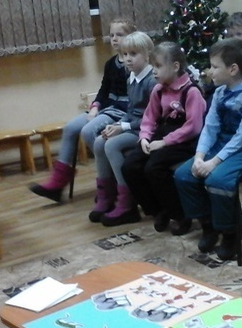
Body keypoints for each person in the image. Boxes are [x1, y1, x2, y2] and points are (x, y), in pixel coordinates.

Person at [174, 39, 242, 261]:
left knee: (218, 180)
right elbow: (210, 128)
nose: (210, 71)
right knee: (184, 175)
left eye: (215, 66)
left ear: (233, 69)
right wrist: (199, 157)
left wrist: (213, 162)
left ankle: (230, 233)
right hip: (224, 143)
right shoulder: (219, 93)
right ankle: (209, 225)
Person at [30, 18, 135, 202]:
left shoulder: (133, 63)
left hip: (122, 112)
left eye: (120, 35)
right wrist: (94, 108)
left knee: (88, 130)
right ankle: (58, 184)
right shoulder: (110, 63)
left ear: (132, 37)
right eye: (111, 35)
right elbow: (103, 91)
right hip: (107, 109)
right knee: (71, 127)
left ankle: (109, 178)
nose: (114, 39)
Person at [121, 42, 206, 235]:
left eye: (158, 66)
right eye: (153, 66)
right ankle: (158, 210)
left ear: (175, 66)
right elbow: (149, 118)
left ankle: (180, 214)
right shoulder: (158, 90)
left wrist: (164, 142)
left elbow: (193, 127)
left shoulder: (191, 92)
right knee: (130, 166)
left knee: (154, 168)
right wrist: (144, 137)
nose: (154, 71)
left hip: (185, 141)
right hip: (162, 135)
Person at [91, 32, 156, 226]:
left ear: (147, 55)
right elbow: (131, 110)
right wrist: (117, 124)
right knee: (99, 141)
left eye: (133, 54)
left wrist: (124, 127)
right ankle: (106, 196)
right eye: (125, 54)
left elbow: (152, 118)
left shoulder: (152, 81)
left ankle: (127, 203)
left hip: (146, 131)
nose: (128, 59)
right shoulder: (131, 77)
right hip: (132, 125)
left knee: (112, 145)